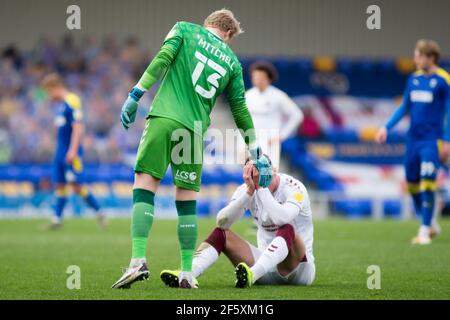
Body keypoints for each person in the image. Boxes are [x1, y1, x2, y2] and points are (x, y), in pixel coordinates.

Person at [112, 9, 268, 289]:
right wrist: (254, 147)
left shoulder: (184, 29)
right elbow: (240, 108)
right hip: (194, 132)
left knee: (145, 184)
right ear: (228, 34)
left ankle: (138, 261)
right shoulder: (232, 61)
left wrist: (136, 94)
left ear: (208, 23)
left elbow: (162, 60)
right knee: (186, 201)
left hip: (164, 118)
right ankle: (186, 272)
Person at [160, 155, 315, 288]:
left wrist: (261, 189)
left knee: (287, 228)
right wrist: (248, 192)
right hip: (266, 267)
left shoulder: (294, 188)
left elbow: (282, 218)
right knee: (221, 233)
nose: (258, 177)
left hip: (300, 269)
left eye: (261, 172)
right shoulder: (247, 188)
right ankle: (188, 274)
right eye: (252, 173)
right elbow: (222, 222)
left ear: (273, 169)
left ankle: (252, 275)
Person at [375, 39, 450, 245]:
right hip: (413, 140)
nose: (415, 59)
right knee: (412, 184)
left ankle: (424, 231)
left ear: (430, 57)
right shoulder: (413, 79)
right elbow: (404, 107)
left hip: (431, 141)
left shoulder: (443, 80)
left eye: (418, 55)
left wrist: (447, 140)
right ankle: (431, 223)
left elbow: (449, 112)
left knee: (428, 183)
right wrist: (386, 127)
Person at [42, 73, 106, 229]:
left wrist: (72, 150)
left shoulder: (72, 100)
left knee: (76, 185)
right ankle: (56, 219)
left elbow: (78, 127)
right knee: (59, 184)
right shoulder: (61, 105)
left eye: (49, 92)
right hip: (60, 151)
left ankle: (100, 212)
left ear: (55, 87)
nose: (49, 96)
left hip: (71, 151)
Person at [244, 61, 303, 168]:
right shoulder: (248, 96)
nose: (257, 79)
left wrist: (282, 135)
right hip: (253, 142)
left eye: (260, 77)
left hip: (271, 143)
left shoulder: (279, 96)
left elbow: (297, 115)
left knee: (269, 175)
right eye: (255, 76)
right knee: (252, 175)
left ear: (268, 78)